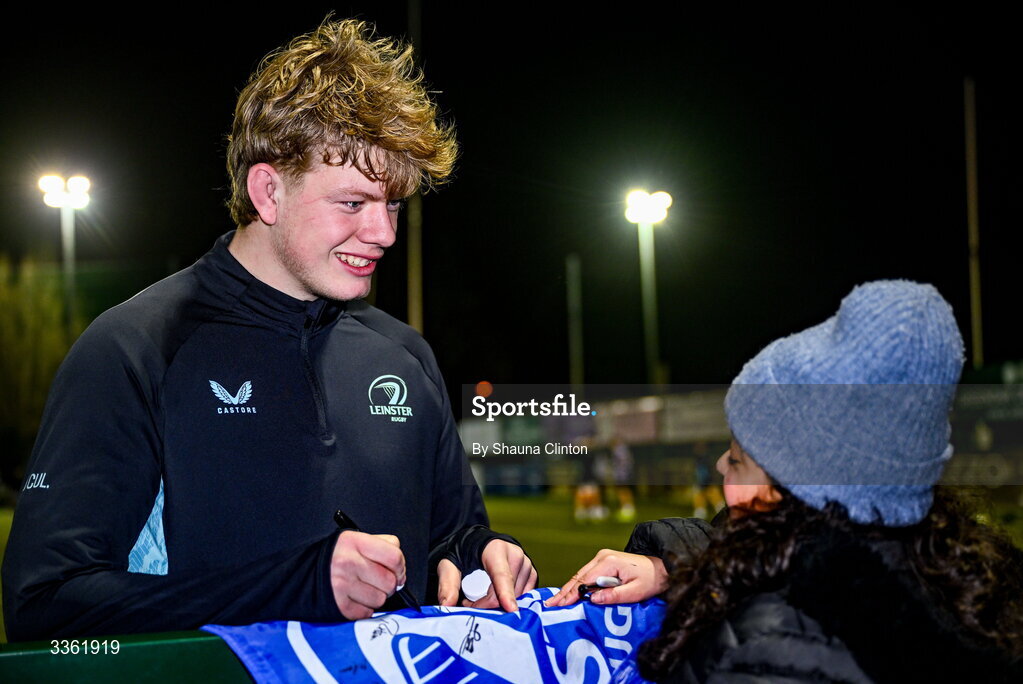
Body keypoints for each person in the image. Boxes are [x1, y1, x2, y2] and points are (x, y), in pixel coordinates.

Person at [2, 19, 535, 641]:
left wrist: (480, 556)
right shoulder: (136, 349)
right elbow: (45, 604)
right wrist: (297, 587)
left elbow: (451, 535)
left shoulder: (406, 355)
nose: (385, 233)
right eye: (354, 203)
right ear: (268, 191)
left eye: (393, 204)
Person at [548, 281, 1023, 681]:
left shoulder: (763, 655)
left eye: (737, 461)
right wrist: (675, 565)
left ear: (796, 494)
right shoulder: (957, 576)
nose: (719, 466)